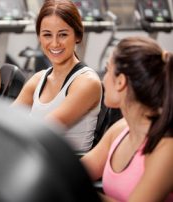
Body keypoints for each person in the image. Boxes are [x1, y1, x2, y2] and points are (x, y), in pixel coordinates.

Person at [81, 36, 173, 201]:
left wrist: (78, 193)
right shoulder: (119, 130)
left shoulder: (166, 148)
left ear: (120, 82)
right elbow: (74, 172)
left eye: (107, 70)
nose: (103, 79)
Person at [13, 0, 102, 152]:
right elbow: (7, 118)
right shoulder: (38, 79)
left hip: (65, 171)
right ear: (39, 37)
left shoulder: (86, 82)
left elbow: (45, 130)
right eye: (47, 35)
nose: (54, 44)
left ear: (78, 36)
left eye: (63, 35)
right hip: (36, 159)